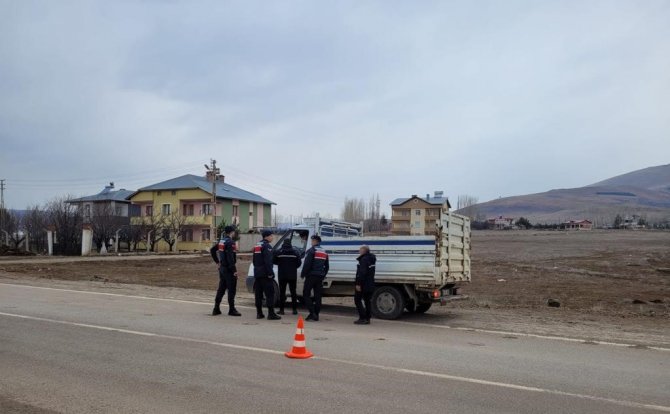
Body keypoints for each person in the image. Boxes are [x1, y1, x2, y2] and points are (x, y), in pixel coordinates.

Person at [209, 226, 241, 316]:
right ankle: (232, 309)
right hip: (229, 269)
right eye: (234, 231)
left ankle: (216, 308)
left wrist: (217, 262)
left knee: (221, 289)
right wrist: (234, 270)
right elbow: (230, 258)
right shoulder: (230, 242)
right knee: (231, 289)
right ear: (232, 232)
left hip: (222, 269)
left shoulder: (222, 241)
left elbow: (212, 250)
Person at [253, 230, 281, 320]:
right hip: (265, 274)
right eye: (271, 236)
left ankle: (259, 313)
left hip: (257, 273)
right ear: (267, 236)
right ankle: (271, 314)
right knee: (270, 294)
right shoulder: (267, 246)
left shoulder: (257, 245)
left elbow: (254, 260)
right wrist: (270, 273)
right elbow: (268, 261)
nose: (272, 238)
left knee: (258, 294)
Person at [301, 235, 329, 321]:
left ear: (315, 241)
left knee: (306, 294)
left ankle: (312, 313)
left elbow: (307, 264)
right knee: (318, 296)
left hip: (311, 276)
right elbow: (327, 266)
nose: (311, 242)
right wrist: (323, 275)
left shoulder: (312, 251)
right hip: (320, 276)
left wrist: (303, 274)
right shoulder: (324, 252)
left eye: (312, 240)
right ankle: (316, 315)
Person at [273, 239, 302, 315]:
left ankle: (282, 310)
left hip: (282, 275)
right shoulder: (295, 252)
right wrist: (293, 267)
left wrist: (280, 264)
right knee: (293, 292)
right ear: (290, 244)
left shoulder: (279, 252)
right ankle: (294, 310)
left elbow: (273, 260)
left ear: (283, 243)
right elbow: (299, 263)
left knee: (282, 293)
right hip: (292, 275)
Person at [354, 245, 376, 325]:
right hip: (370, 283)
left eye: (360, 250)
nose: (359, 251)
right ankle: (367, 318)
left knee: (357, 300)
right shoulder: (371, 259)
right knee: (367, 301)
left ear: (364, 251)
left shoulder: (363, 260)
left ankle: (362, 318)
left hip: (363, 284)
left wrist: (358, 284)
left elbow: (362, 273)